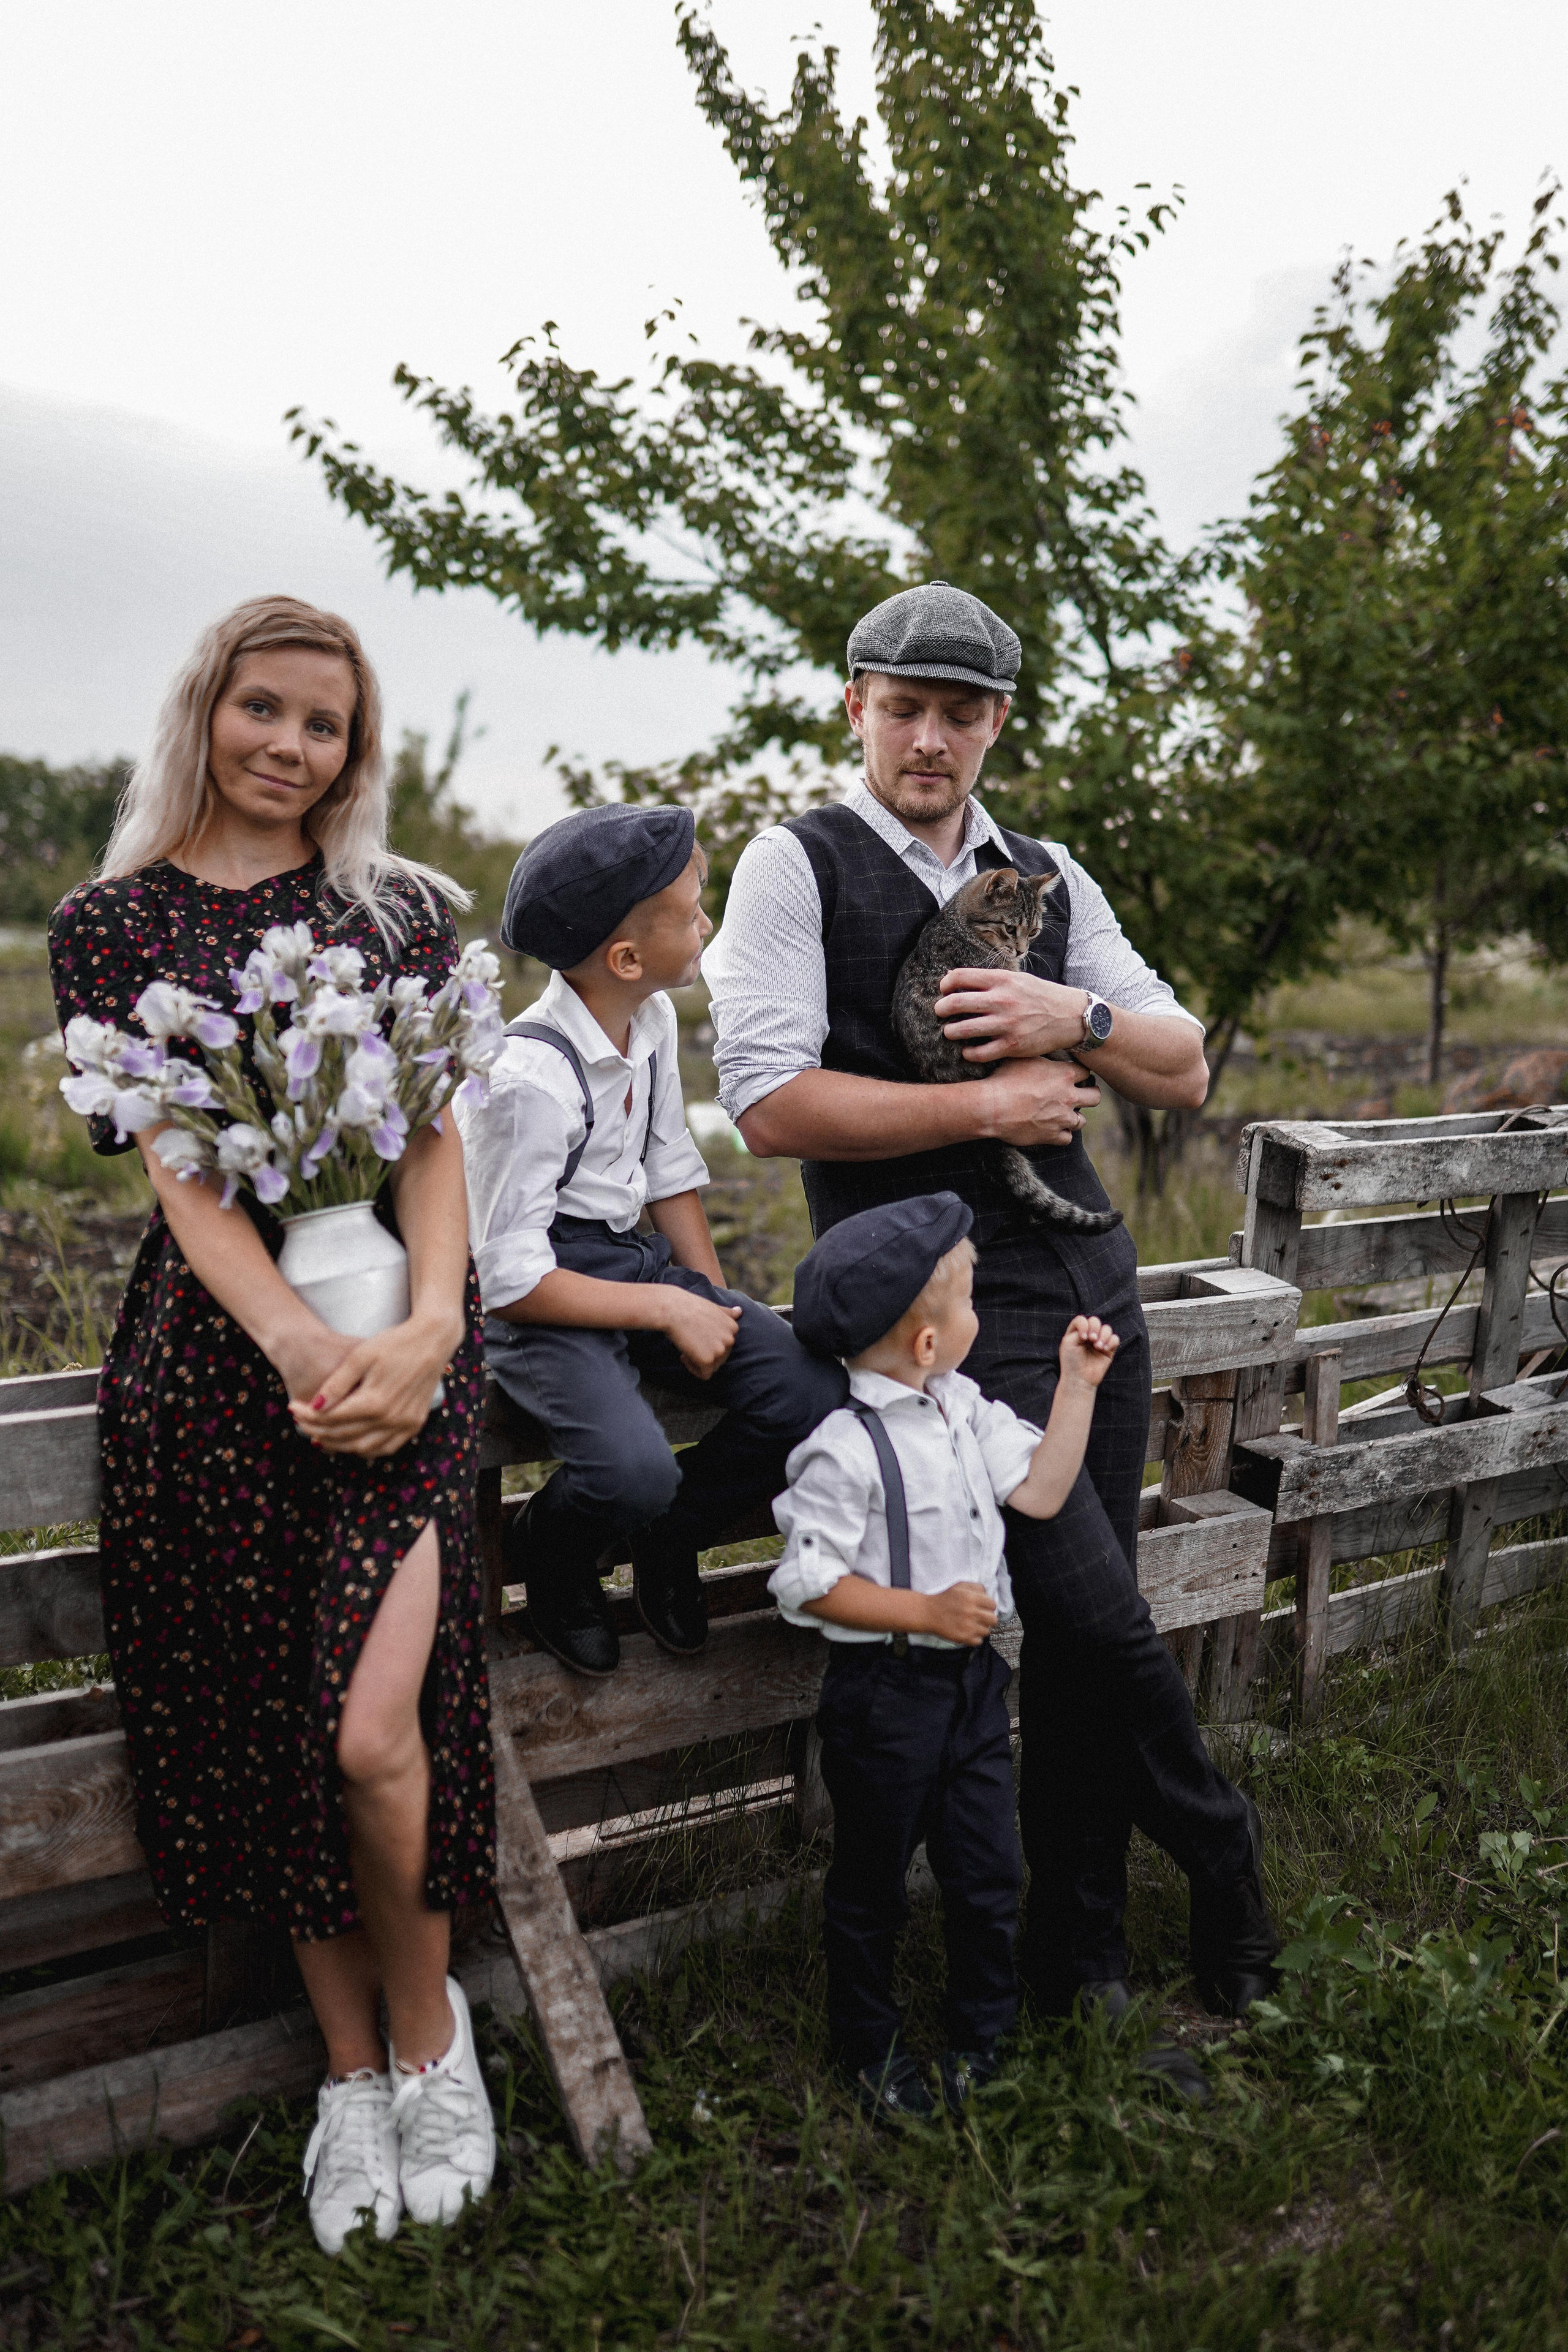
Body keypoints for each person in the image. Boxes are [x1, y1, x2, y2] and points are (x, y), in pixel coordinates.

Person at [703, 581, 1278, 2089]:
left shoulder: (1047, 877)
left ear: (996, 725)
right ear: (854, 706)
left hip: (1087, 1282)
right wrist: (982, 1104)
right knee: (1086, 1616)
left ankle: (1079, 1965)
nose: (929, 739)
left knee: (1089, 1644)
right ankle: (1224, 1854)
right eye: (902, 706)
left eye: (960, 715)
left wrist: (1064, 1021)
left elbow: (1182, 1066)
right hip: (934, 1318)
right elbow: (765, 1105)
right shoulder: (797, 864)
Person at [49, 597, 497, 2255]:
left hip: (403, 1347)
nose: (291, 748)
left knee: (377, 1729)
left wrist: (434, 1330)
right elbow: (181, 1171)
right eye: (266, 710)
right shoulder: (108, 926)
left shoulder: (399, 913)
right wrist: (301, 1342)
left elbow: (438, 1137)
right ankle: (348, 2078)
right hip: (226, 1377)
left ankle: (437, 2046)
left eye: (326, 726)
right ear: (209, 710)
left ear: (352, 753)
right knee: (271, 1731)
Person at [459, 804, 846, 1678]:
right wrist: (666, 1304)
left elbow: (668, 1167)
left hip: (625, 1265)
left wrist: (708, 1302)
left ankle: (670, 1540)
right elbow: (509, 1277)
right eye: (692, 910)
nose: (706, 921)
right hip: (546, 1301)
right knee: (634, 1470)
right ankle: (553, 1557)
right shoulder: (529, 1081)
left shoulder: (654, 1021)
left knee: (808, 1387)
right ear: (626, 959)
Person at [774, 1191, 1125, 2122]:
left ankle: (985, 2037)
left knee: (985, 1873)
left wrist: (1077, 1387)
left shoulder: (966, 1409)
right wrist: (923, 1612)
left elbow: (1043, 1493)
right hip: (884, 1696)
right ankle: (869, 2050)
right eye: (969, 1303)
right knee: (871, 1886)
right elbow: (806, 1585)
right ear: (925, 1344)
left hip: (971, 1694)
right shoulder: (844, 1451)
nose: (980, 1317)